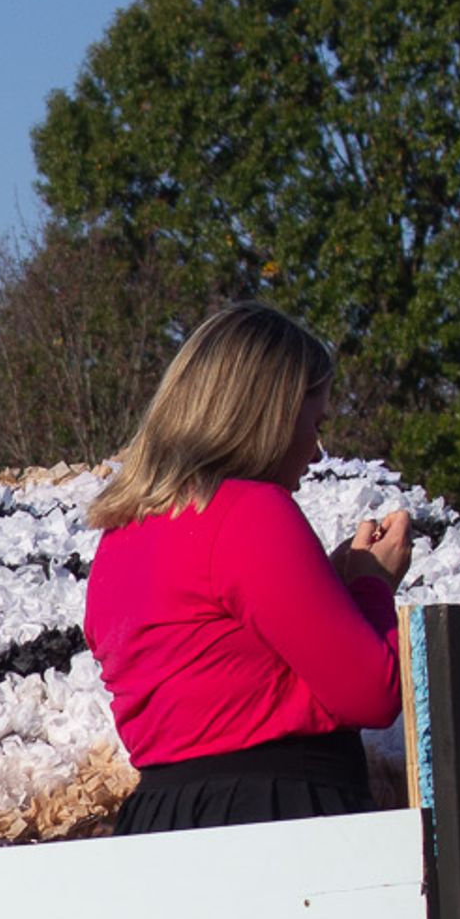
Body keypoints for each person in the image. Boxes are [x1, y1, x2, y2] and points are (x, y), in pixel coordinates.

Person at [82, 303, 413, 835]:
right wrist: (375, 583)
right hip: (277, 812)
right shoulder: (250, 512)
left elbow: (232, 668)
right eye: (316, 422)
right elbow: (371, 691)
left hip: (162, 821)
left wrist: (335, 589)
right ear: (272, 415)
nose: (318, 449)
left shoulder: (120, 536)